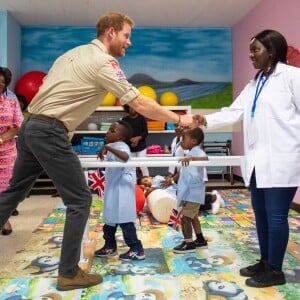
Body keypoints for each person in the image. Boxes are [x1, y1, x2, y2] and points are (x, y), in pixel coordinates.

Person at [0, 12, 195, 291]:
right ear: (111, 32)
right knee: (80, 199)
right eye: (126, 36)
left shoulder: (73, 53)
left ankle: (68, 270)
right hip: (48, 130)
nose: (129, 43)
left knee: (14, 192)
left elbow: (50, 91)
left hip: (30, 126)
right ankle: (68, 273)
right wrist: (180, 119)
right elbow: (138, 102)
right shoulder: (104, 61)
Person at [196, 29, 300, 288]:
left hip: (282, 161)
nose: (251, 55)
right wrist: (204, 120)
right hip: (257, 163)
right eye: (250, 50)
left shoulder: (292, 77)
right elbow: (233, 112)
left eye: (256, 50)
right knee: (262, 216)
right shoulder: (254, 84)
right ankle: (266, 262)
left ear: (272, 51)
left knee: (276, 216)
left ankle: (275, 271)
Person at [94, 120, 145, 261]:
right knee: (109, 221)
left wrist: (107, 147)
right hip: (114, 188)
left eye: (112, 130)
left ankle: (137, 249)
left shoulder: (122, 146)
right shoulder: (114, 144)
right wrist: (105, 148)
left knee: (125, 222)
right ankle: (110, 246)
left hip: (122, 190)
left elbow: (125, 157)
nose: (108, 132)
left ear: (120, 138)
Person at [172, 127, 208, 254]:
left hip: (193, 192)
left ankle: (189, 243)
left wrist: (192, 159)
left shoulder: (197, 152)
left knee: (185, 218)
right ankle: (200, 239)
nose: (182, 141)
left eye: (184, 139)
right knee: (193, 217)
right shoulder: (191, 152)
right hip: (190, 192)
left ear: (193, 141)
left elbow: (205, 159)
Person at [0, 68, 23, 235]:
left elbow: (18, 125)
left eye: (2, 83)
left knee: (5, 188)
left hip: (7, 152)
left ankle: (4, 218)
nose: (0, 85)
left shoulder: (11, 102)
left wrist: (1, 139)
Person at [122, 104, 149, 177]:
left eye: (134, 107)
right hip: (129, 146)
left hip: (141, 146)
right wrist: (130, 139)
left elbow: (145, 133)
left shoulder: (142, 119)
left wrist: (137, 138)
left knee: (143, 166)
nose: (132, 109)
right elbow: (123, 133)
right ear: (127, 108)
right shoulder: (125, 120)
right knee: (131, 167)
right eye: (130, 107)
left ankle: (147, 182)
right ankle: (133, 184)